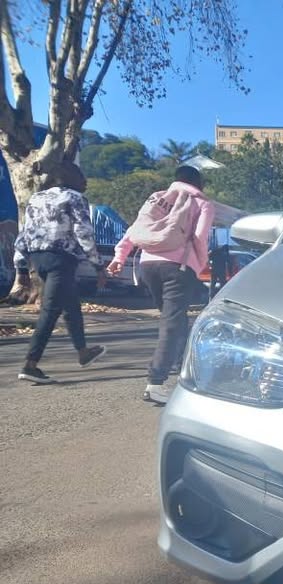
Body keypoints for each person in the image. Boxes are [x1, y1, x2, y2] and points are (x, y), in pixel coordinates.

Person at [107, 165, 214, 404]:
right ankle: (156, 382)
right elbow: (199, 237)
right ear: (198, 183)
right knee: (172, 322)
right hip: (179, 267)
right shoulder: (201, 203)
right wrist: (201, 264)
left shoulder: (157, 198)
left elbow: (134, 231)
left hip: (147, 266)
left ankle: (185, 366)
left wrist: (118, 258)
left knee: (173, 319)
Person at [14, 162, 107, 384]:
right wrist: (98, 265)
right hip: (60, 259)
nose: (85, 181)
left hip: (37, 258)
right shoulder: (75, 198)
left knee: (71, 305)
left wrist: (21, 266)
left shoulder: (36, 198)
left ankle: (83, 352)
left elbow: (24, 232)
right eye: (81, 176)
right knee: (51, 309)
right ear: (70, 178)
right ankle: (30, 364)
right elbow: (83, 232)